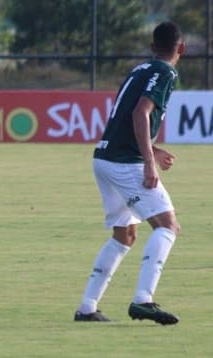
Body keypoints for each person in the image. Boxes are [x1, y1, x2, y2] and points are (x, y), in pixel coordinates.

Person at [74, 22, 185, 325]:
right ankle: (143, 300)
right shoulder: (166, 72)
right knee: (168, 226)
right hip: (125, 162)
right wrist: (149, 162)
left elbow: (128, 117)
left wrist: (153, 148)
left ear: (152, 48)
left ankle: (87, 306)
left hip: (105, 158)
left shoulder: (139, 70)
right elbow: (140, 113)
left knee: (125, 235)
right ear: (181, 48)